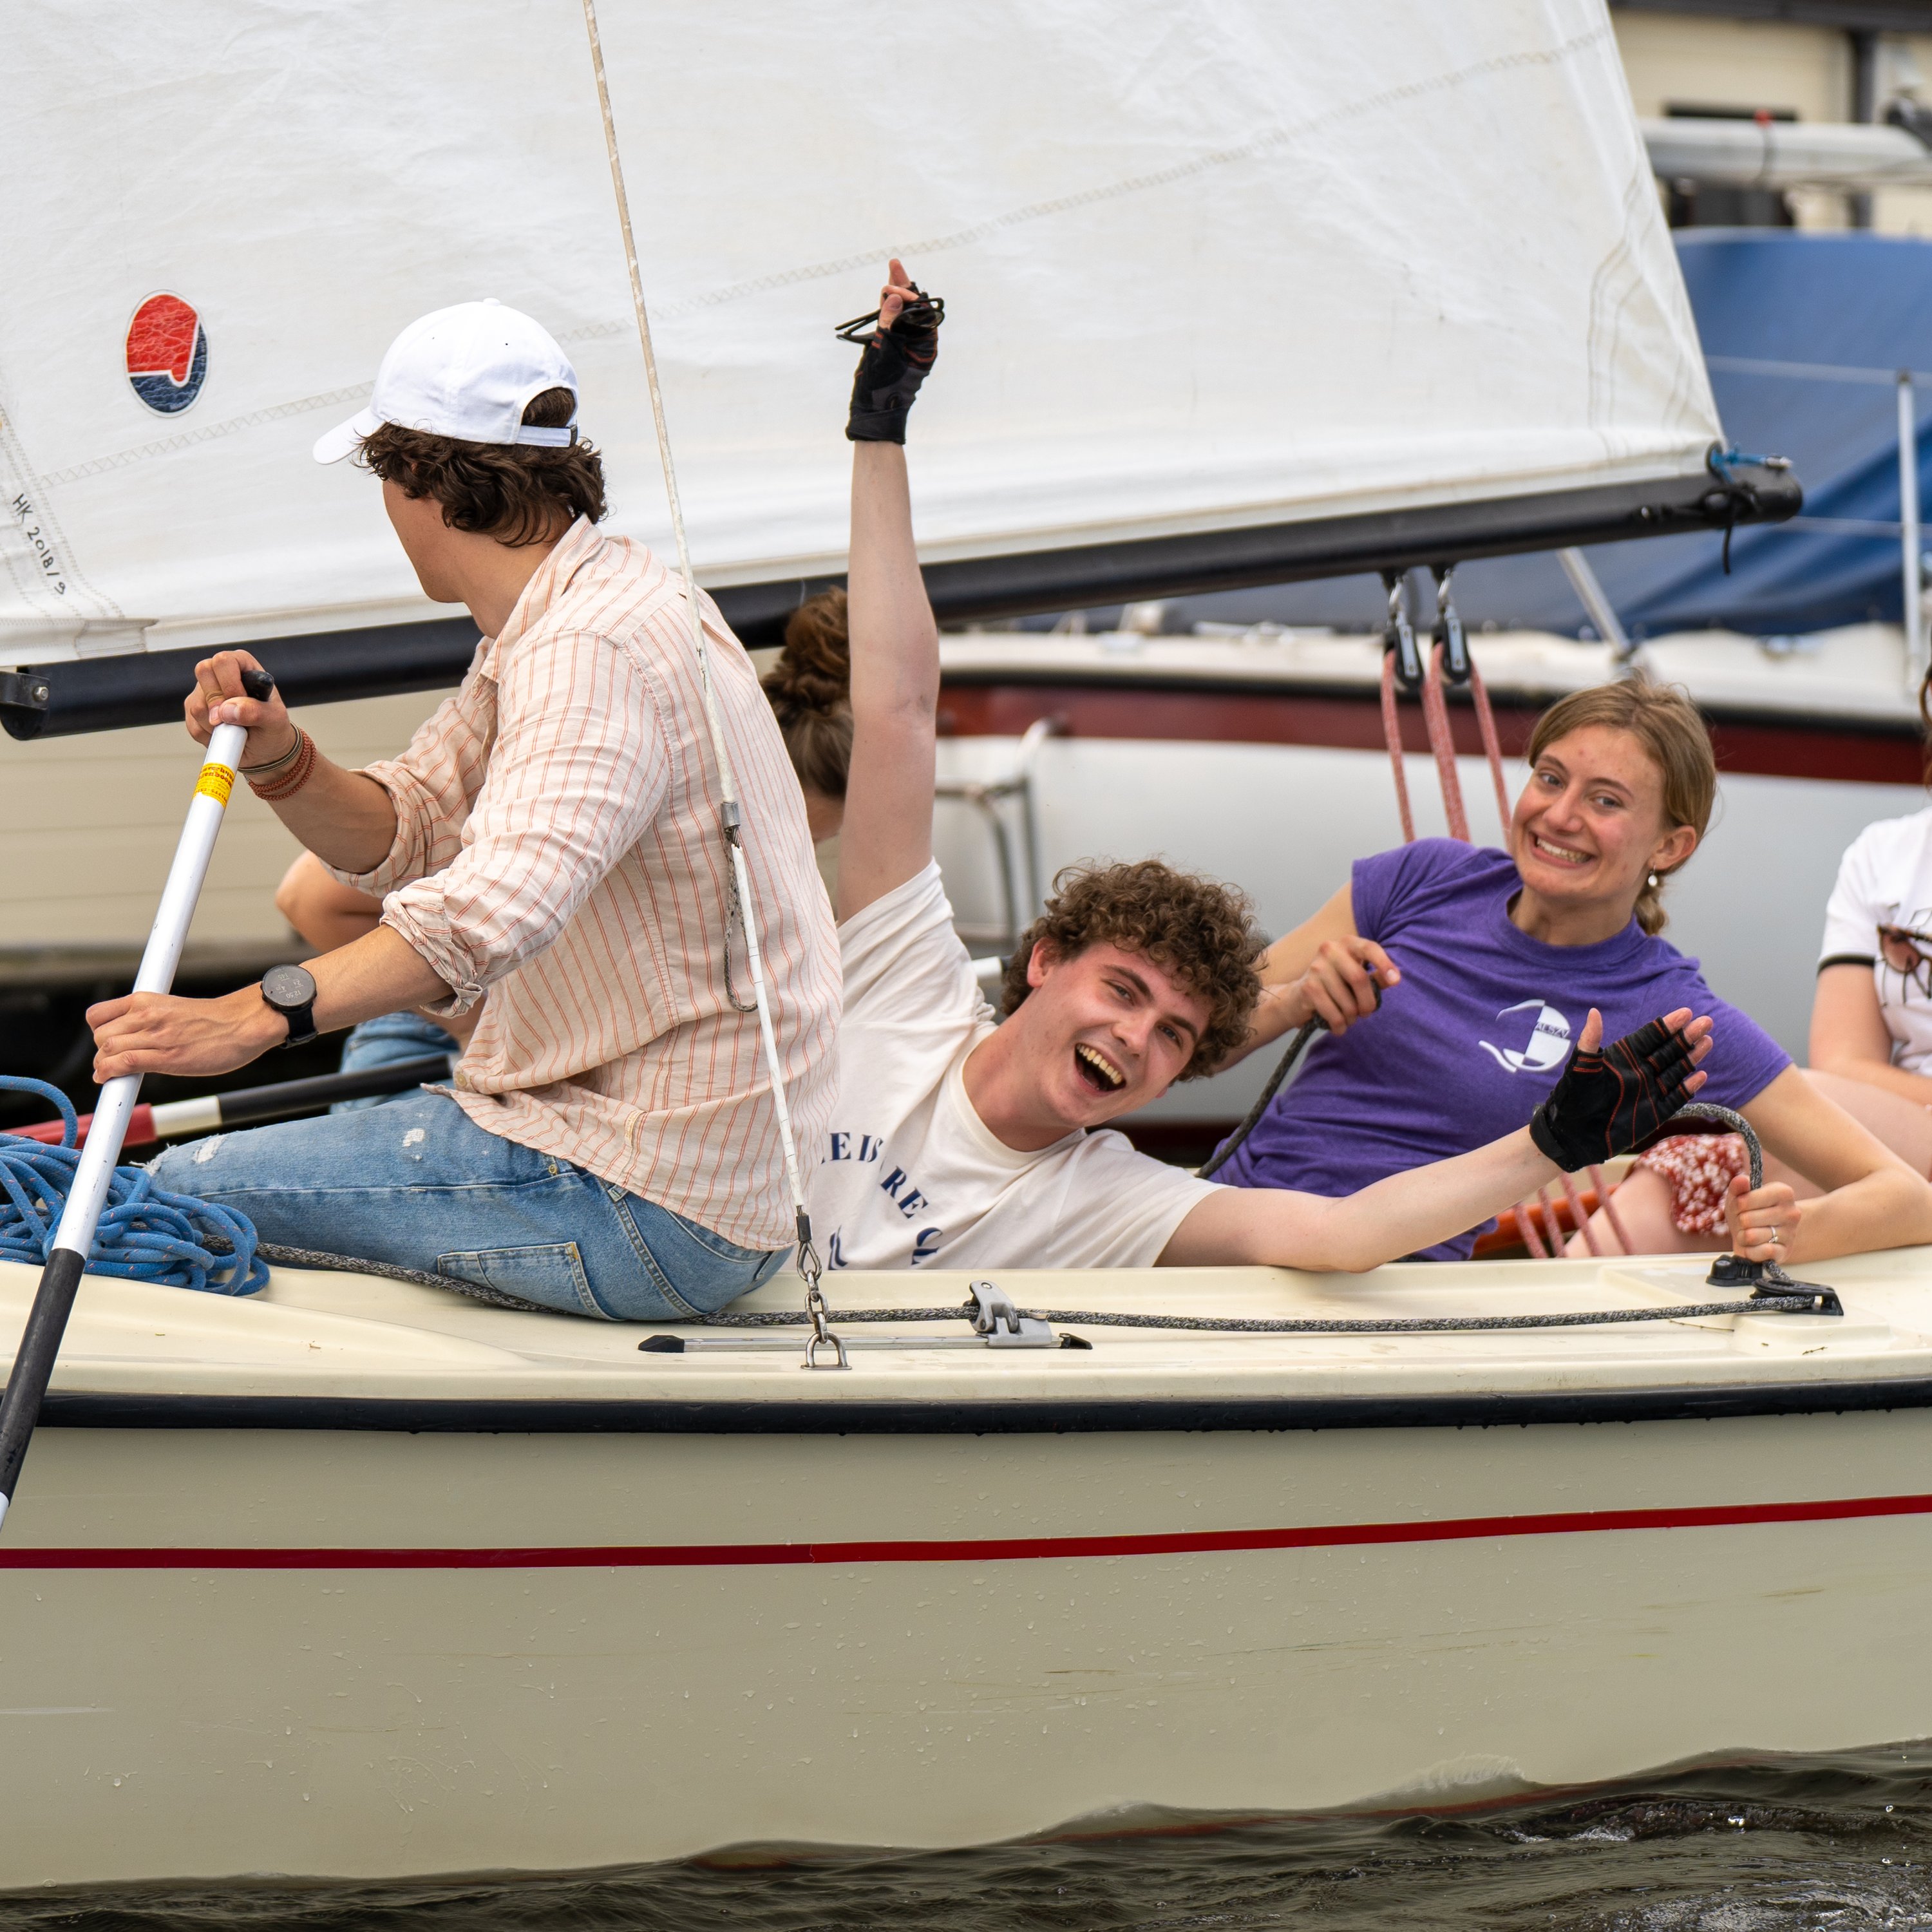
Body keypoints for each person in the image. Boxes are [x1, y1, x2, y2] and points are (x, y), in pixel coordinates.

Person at [805, 264, 1725, 1273]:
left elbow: (1335, 1236)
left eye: (1172, 1036)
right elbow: (897, 710)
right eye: (1122, 990)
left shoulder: (1105, 1199)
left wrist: (1548, 1145)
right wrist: (880, 429)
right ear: (1045, 961)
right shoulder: (905, 986)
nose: (1134, 1038)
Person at [93, 299, 840, 1318]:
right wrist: (281, 759)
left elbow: (490, 912)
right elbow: (410, 828)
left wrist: (249, 1018)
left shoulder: (591, 647)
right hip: (693, 1179)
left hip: (646, 1194)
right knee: (193, 1186)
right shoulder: (583, 607)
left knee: (156, 1198)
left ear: (421, 485)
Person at [1217, 678, 1932, 1266]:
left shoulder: (1673, 1015)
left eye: (1606, 800)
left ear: (1670, 846)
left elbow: (1906, 1197)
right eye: (1550, 779)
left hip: (1378, 1290)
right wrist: (1290, 1001)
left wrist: (1791, 1233)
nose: (1559, 816)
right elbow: (1202, 1042)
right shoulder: (1420, 878)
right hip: (1217, 1222)